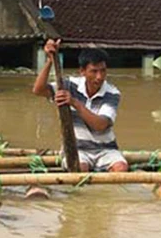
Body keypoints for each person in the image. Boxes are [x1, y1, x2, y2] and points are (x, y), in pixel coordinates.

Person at [32, 39, 128, 172]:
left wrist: (74, 103)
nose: (99, 77)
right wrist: (50, 60)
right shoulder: (70, 85)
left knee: (121, 168)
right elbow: (38, 90)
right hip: (78, 149)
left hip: (106, 149)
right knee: (80, 169)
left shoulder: (112, 93)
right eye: (94, 71)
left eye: (103, 71)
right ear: (82, 71)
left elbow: (100, 125)